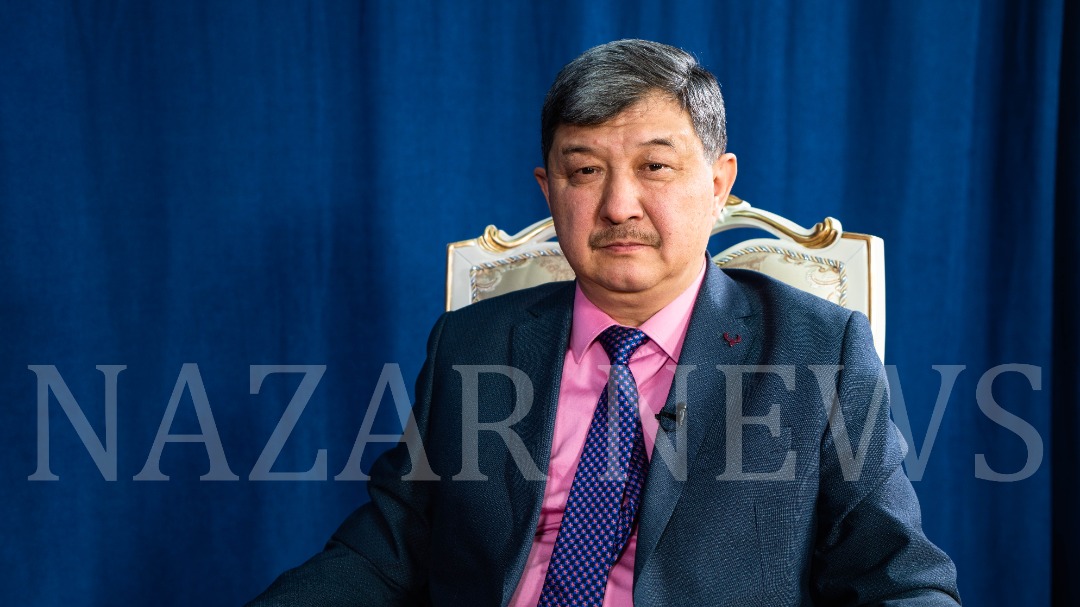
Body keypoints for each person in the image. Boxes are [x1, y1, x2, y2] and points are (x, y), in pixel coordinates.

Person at [249, 39, 960, 606]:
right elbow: (384, 552)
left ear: (718, 184)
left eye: (655, 167)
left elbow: (900, 581)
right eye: (585, 171)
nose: (619, 205)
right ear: (548, 189)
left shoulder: (818, 351)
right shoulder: (472, 344)